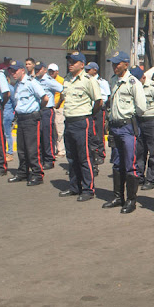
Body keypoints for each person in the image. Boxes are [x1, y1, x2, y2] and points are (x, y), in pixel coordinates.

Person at [101, 52, 146, 213]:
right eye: (113, 64)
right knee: (117, 163)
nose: (114, 66)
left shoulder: (133, 83)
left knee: (130, 165)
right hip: (115, 127)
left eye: (117, 64)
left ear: (125, 65)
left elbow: (141, 108)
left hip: (127, 128)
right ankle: (117, 197)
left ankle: (131, 200)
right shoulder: (113, 80)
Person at [58, 51, 102, 202]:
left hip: (82, 121)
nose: (70, 64)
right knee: (72, 157)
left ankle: (88, 189)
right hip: (69, 121)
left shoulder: (88, 80)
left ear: (82, 65)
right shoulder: (67, 80)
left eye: (74, 62)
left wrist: (89, 115)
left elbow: (98, 101)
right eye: (69, 61)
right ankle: (74, 187)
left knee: (84, 157)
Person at [6, 61, 48, 186]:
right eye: (11, 71)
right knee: (22, 149)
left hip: (31, 119)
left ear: (22, 70)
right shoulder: (17, 85)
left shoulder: (31, 83)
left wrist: (38, 110)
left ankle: (37, 174)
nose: (13, 73)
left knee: (32, 149)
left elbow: (45, 98)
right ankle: (23, 172)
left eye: (15, 71)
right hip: (21, 118)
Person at [131, 67, 154, 191]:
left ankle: (151, 179)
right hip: (139, 121)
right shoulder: (133, 86)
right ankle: (139, 176)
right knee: (139, 151)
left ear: (143, 77)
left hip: (151, 122)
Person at [35, 62, 64, 169]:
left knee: (47, 135)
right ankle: (42, 158)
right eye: (36, 69)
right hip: (38, 110)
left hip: (47, 110)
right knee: (40, 135)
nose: (37, 71)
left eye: (39, 69)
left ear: (44, 69)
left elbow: (62, 89)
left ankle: (49, 159)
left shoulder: (48, 80)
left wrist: (59, 103)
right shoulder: (35, 80)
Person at [85, 62, 110, 164]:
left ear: (95, 70)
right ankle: (93, 152)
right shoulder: (86, 80)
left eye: (89, 69)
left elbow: (107, 96)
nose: (87, 71)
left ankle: (100, 153)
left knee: (99, 131)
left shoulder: (102, 82)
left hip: (99, 109)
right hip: (89, 109)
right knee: (91, 133)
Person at [48, 64, 66, 157]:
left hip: (59, 108)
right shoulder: (47, 80)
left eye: (53, 71)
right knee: (53, 130)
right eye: (50, 71)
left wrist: (58, 104)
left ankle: (61, 150)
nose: (51, 73)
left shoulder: (61, 81)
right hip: (51, 108)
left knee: (59, 129)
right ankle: (54, 149)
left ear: (57, 72)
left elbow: (63, 94)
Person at [2, 80, 16, 162]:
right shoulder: (0, 88)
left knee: (7, 133)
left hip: (7, 114)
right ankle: (3, 151)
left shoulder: (10, 88)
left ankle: (10, 152)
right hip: (1, 113)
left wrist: (13, 113)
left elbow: (14, 101)